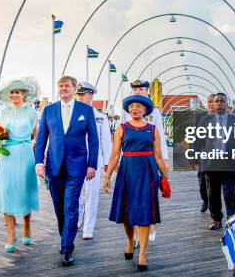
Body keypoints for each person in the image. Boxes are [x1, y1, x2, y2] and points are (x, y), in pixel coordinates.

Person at [35, 76, 99, 267]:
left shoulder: (85, 111)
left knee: (71, 206)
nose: (63, 89)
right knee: (59, 207)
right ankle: (65, 236)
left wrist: (92, 164)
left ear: (74, 89)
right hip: (54, 167)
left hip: (77, 166)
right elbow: (41, 139)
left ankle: (67, 247)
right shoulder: (49, 110)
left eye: (67, 86)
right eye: (61, 86)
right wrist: (39, 162)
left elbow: (93, 140)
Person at [104, 95, 170, 272]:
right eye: (131, 106)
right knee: (126, 212)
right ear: (128, 110)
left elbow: (158, 156)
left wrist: (166, 178)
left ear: (145, 110)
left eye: (138, 107)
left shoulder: (152, 129)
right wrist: (107, 175)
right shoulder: (121, 128)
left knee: (145, 212)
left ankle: (143, 253)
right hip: (127, 171)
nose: (134, 109)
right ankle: (129, 240)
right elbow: (115, 155)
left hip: (148, 172)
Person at [0, 78, 40, 252]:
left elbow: (38, 135)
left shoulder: (31, 113)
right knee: (6, 192)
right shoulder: (3, 113)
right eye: (12, 92)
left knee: (25, 191)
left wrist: (34, 142)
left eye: (17, 92)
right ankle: (11, 235)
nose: (14, 95)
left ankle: (27, 227)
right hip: (7, 157)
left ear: (24, 95)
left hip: (25, 155)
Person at [197, 93, 235, 230]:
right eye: (216, 101)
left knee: (229, 191)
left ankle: (231, 218)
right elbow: (199, 142)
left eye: (222, 101)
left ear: (226, 103)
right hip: (211, 163)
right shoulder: (205, 120)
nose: (218, 104)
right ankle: (216, 219)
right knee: (213, 192)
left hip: (230, 161)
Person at [75, 82, 112, 240]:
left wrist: (107, 166)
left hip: (94, 161)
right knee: (74, 193)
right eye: (80, 95)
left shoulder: (100, 116)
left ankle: (88, 228)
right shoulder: (71, 114)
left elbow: (106, 142)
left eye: (85, 94)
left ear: (91, 96)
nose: (82, 97)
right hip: (74, 160)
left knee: (92, 194)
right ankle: (78, 216)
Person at [192, 95, 215, 213]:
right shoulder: (200, 117)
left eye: (213, 102)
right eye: (209, 102)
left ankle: (213, 206)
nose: (211, 104)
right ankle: (205, 200)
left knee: (214, 184)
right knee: (202, 182)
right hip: (203, 155)